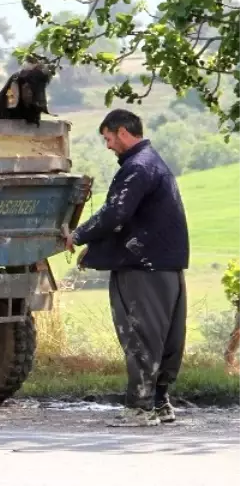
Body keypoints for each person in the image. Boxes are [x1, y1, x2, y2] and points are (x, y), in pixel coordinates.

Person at [65, 109, 190, 428]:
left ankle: (140, 408)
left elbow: (115, 213)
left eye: (108, 138)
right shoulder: (154, 161)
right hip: (168, 265)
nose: (108, 146)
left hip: (142, 267)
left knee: (140, 335)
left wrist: (78, 235)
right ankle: (160, 403)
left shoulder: (136, 167)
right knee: (167, 338)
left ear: (122, 132)